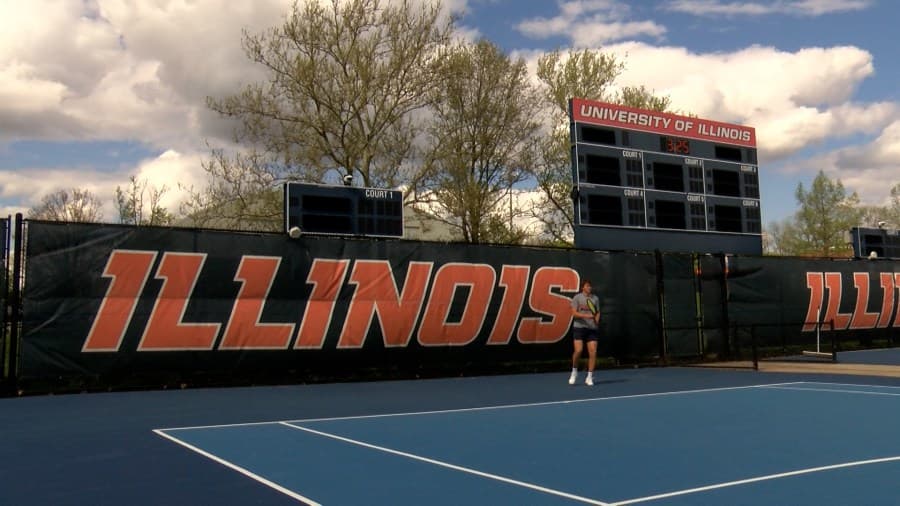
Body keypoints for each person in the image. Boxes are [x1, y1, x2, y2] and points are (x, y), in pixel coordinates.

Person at [569, 279, 600, 386]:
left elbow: (597, 312)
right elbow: (574, 313)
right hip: (579, 327)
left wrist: (597, 320)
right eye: (587, 286)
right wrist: (587, 316)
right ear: (583, 287)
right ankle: (574, 371)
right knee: (578, 350)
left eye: (590, 286)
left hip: (592, 329)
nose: (589, 288)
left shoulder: (595, 298)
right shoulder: (577, 298)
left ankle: (589, 377)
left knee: (593, 352)